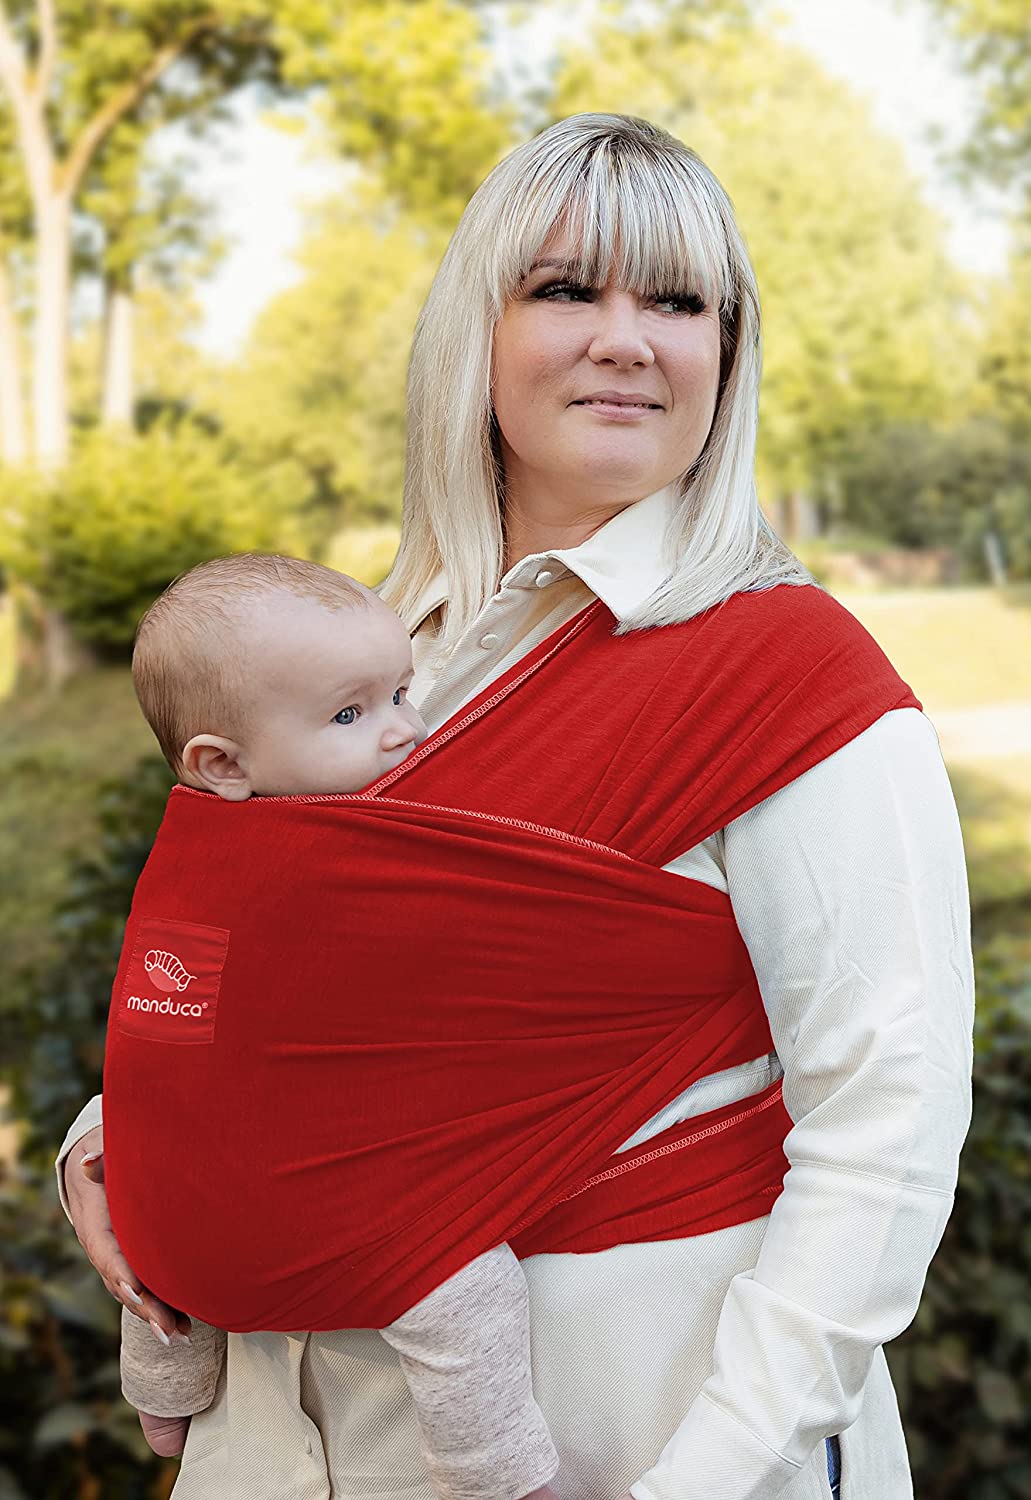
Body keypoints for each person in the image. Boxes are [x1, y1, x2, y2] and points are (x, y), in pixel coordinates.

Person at [55, 112, 975, 1500]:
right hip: (281, 1438)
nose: (626, 340)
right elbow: (273, 984)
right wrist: (111, 1148)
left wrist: (707, 1474)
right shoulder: (370, 650)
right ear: (473, 332)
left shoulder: (789, 678)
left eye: (677, 302)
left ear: (726, 352)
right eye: (564, 290)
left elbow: (882, 1132)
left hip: (631, 1423)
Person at [104, 552, 564, 1500]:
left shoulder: (189, 857)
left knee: (162, 1230)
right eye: (350, 716)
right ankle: (497, 1476)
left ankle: (161, 1400)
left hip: (171, 1222)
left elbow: (165, 1032)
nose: (405, 729)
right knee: (464, 1287)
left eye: (401, 692)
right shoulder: (338, 865)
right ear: (222, 764)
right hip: (308, 1216)